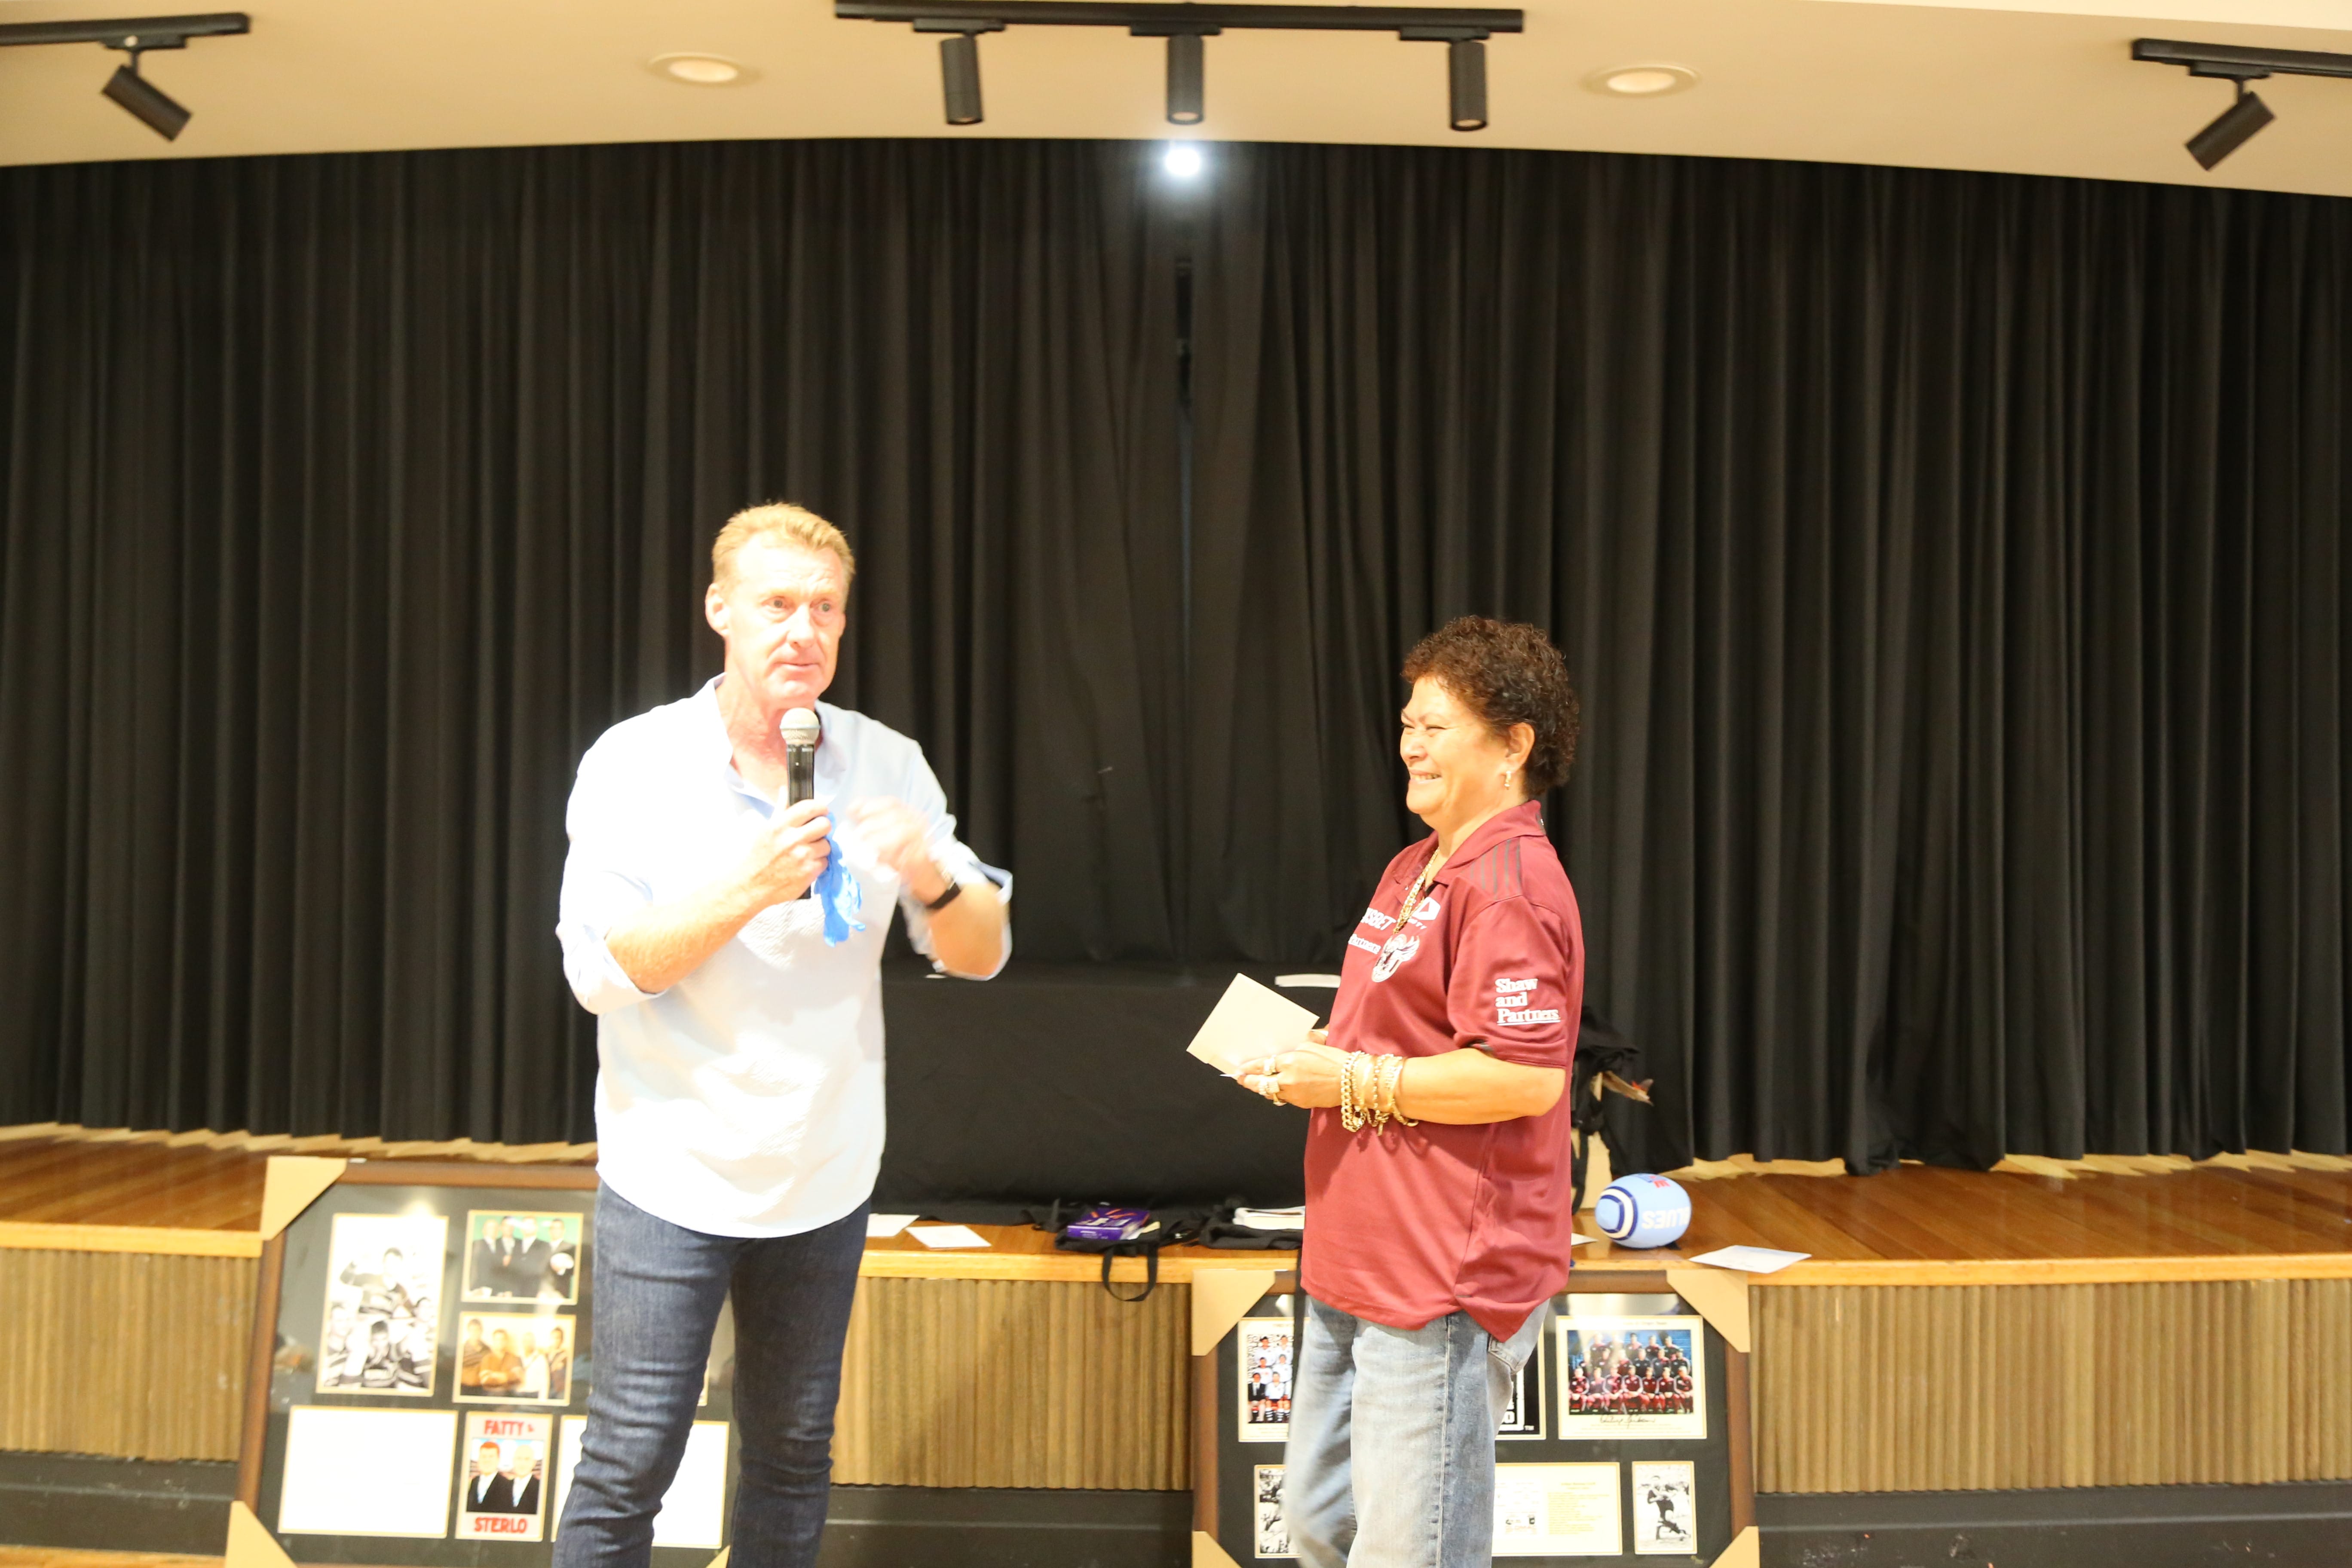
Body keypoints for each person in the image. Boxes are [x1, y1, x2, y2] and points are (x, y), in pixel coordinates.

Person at [552, 502, 1009, 1568]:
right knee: (629, 1462)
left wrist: (933, 877)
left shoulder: (887, 762)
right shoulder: (634, 763)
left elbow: (982, 952)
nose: (803, 631)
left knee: (794, 1457)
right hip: (670, 1169)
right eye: (776, 605)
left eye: (825, 609)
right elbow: (599, 973)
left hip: (822, 1173)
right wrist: (750, 887)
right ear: (720, 610)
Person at [1238, 616, 1583, 1568]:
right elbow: (1395, 1038)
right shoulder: (1414, 865)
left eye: (1435, 726)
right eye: (1406, 724)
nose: (1410, 746)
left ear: (1513, 745)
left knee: (1410, 1554)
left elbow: (1524, 1075)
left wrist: (1349, 1076)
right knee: (1320, 1526)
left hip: (1439, 1277)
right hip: (1354, 1256)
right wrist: (1312, 1058)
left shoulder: (1510, 886)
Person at [467, 1442, 517, 1513]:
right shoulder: (474, 1481)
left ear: (498, 1460)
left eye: (491, 1457)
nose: (487, 1461)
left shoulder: (507, 1485)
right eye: (484, 1457)